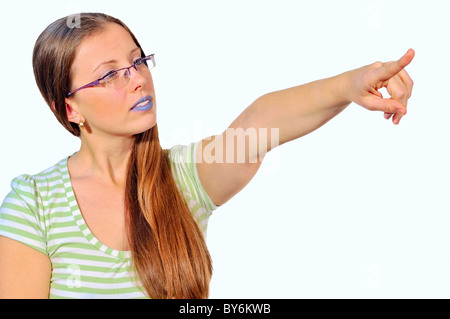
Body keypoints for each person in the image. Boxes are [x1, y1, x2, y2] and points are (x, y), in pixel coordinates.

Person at [0, 12, 414, 299]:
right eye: (109, 75)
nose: (137, 80)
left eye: (137, 61)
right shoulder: (35, 204)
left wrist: (351, 84)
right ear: (69, 108)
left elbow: (259, 124)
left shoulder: (183, 177)